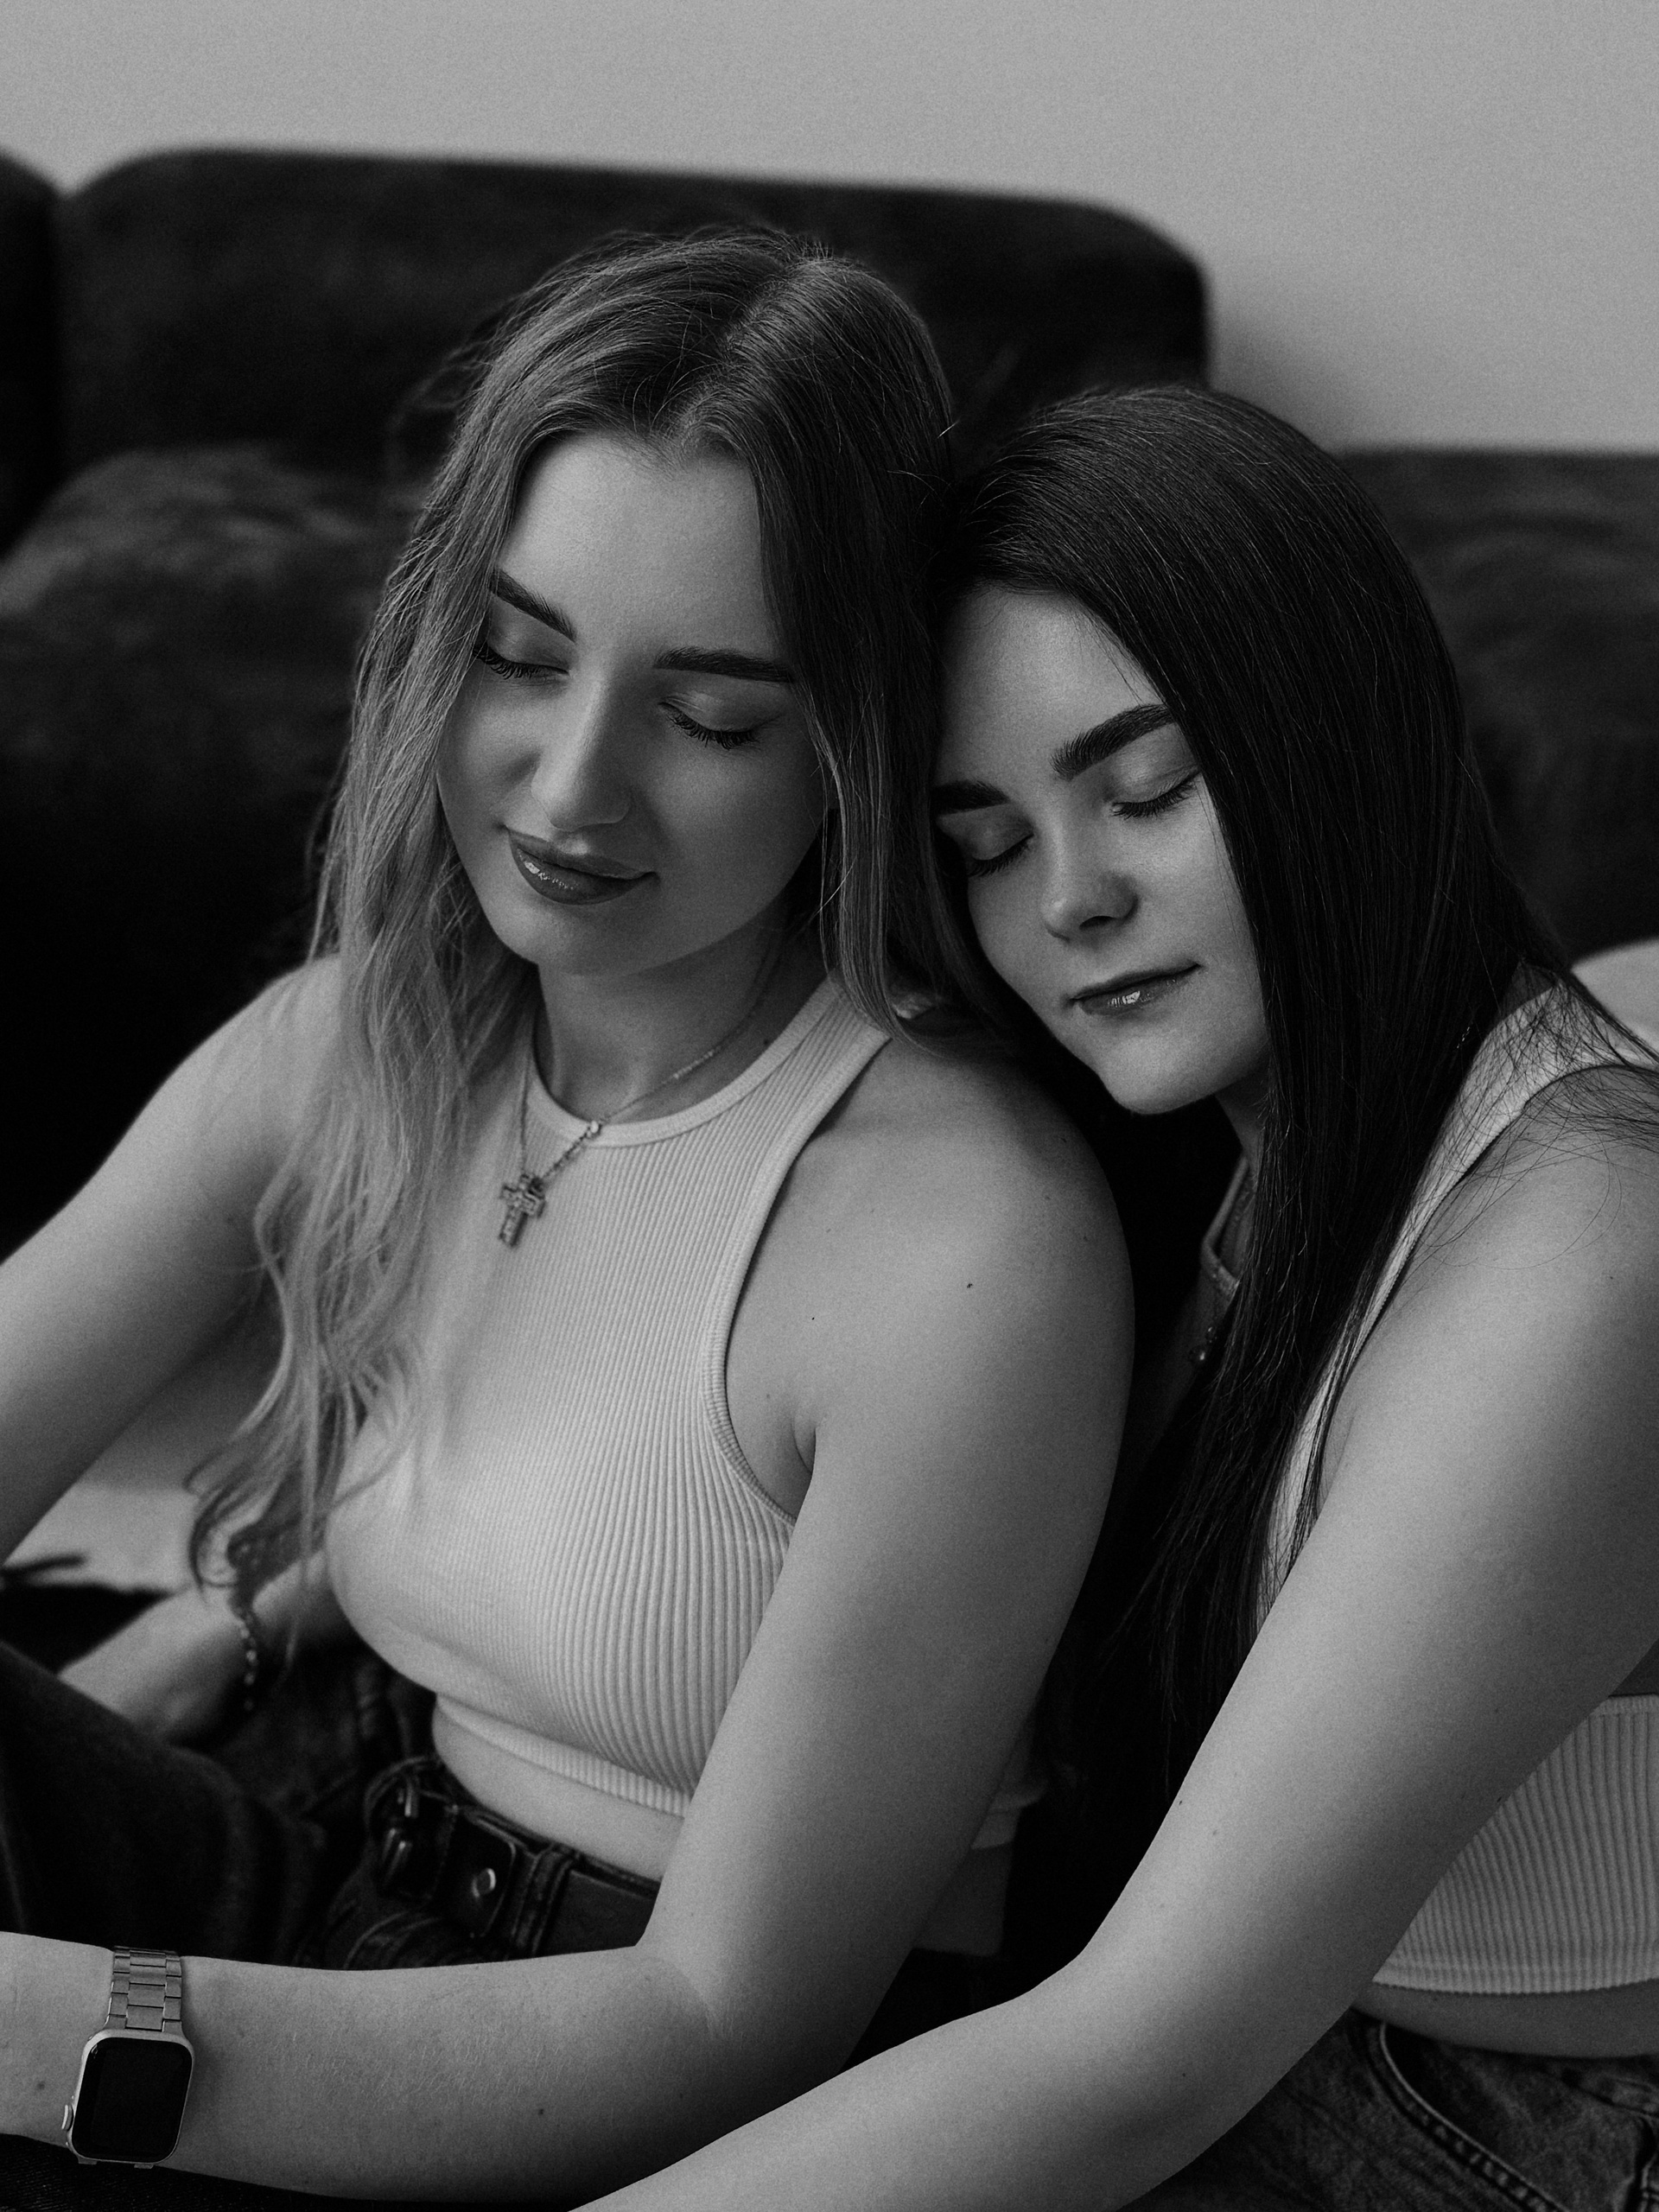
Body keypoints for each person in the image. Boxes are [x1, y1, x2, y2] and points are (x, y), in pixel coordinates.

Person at [0, 236, 1128, 2202]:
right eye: (521, 656)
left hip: (622, 2075)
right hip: (332, 1853)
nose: (571, 785)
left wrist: (58, 2035)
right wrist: (205, 1633)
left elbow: (729, 2027)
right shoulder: (365, 1042)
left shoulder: (961, 1244)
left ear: (857, 743)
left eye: (713, 715)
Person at [583, 385, 1659, 2210]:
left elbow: (1132, 2057)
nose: (1070, 900)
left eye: (1147, 788)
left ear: (1346, 736)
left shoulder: (1576, 1253)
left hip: (1508, 2136)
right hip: (1245, 2051)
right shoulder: (1203, 1158)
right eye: (989, 842)